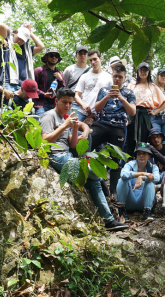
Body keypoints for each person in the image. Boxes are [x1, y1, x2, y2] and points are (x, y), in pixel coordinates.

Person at [40, 87, 127, 231]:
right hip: (55, 156)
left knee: (93, 182)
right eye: (64, 103)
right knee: (96, 174)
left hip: (67, 156)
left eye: (70, 103)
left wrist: (74, 130)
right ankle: (107, 197)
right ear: (56, 101)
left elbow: (72, 144)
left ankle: (109, 221)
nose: (67, 106)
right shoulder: (49, 116)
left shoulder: (64, 118)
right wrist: (65, 126)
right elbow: (45, 140)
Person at [91, 64, 136, 197]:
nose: (117, 79)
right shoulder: (104, 90)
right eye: (115, 76)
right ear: (112, 75)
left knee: (115, 159)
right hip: (102, 124)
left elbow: (132, 112)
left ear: (124, 77)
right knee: (87, 147)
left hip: (118, 128)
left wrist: (121, 98)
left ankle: (113, 192)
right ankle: (100, 182)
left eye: (120, 77)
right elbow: (97, 108)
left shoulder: (129, 93)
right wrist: (106, 97)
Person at [126, 62, 165, 157]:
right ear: (138, 71)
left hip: (146, 114)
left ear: (148, 72)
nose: (143, 72)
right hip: (133, 113)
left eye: (145, 70)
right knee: (130, 140)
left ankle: (142, 164)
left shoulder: (152, 86)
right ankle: (127, 163)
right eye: (141, 70)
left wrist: (155, 112)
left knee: (144, 141)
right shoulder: (132, 84)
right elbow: (125, 99)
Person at [117, 143, 160, 222]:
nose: (141, 156)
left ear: (149, 156)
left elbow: (157, 178)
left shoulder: (153, 167)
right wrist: (142, 174)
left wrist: (142, 178)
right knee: (122, 180)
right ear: (136, 155)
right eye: (139, 153)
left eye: (144, 154)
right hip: (129, 200)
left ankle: (147, 212)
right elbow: (123, 174)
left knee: (150, 182)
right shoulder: (130, 164)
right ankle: (122, 210)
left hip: (143, 201)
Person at [0, 24, 45, 92]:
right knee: (8, 102)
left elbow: (41, 47)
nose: (20, 41)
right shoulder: (6, 43)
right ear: (15, 33)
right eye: (19, 38)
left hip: (22, 85)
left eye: (23, 40)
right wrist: (10, 32)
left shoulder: (26, 50)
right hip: (8, 82)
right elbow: (2, 26)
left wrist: (29, 33)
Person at [74, 49, 112, 122]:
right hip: (83, 113)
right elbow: (76, 96)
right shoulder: (84, 76)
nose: (93, 62)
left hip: (100, 114)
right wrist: (83, 105)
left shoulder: (108, 77)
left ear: (100, 59)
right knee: (76, 132)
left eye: (95, 59)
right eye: (90, 60)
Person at [34, 47, 65, 117]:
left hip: (55, 106)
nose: (54, 57)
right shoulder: (39, 71)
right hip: (41, 105)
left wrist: (61, 80)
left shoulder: (60, 74)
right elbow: (32, 88)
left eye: (56, 56)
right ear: (46, 57)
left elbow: (63, 92)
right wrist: (43, 94)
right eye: (51, 55)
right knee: (40, 125)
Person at [63, 45, 90, 110]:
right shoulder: (69, 70)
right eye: (80, 54)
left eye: (84, 54)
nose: (82, 56)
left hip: (88, 104)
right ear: (76, 56)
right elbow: (63, 87)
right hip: (72, 104)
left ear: (87, 56)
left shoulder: (91, 71)